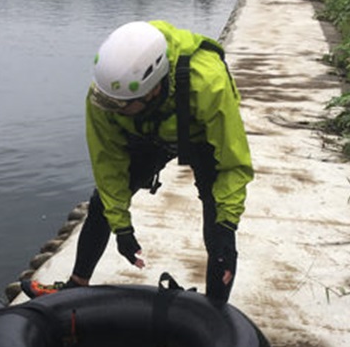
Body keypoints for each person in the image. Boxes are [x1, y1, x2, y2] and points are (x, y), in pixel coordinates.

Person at [21, 19, 253, 306]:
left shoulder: (207, 82)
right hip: (146, 134)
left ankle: (216, 311)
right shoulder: (107, 97)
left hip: (199, 135)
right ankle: (76, 283)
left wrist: (227, 225)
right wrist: (122, 228)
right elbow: (109, 166)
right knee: (100, 204)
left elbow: (233, 162)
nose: (112, 109)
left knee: (219, 225)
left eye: (122, 105)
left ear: (153, 89)